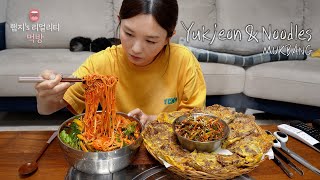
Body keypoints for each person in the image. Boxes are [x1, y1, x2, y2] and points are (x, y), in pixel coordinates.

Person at [35, 0, 206, 125]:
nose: (136, 49)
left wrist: (152, 120)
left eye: (151, 41)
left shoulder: (183, 60)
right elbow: (48, 109)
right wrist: (46, 97)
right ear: (119, 21)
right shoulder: (102, 63)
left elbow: (194, 117)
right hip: (117, 147)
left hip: (169, 151)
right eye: (129, 34)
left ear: (169, 37)